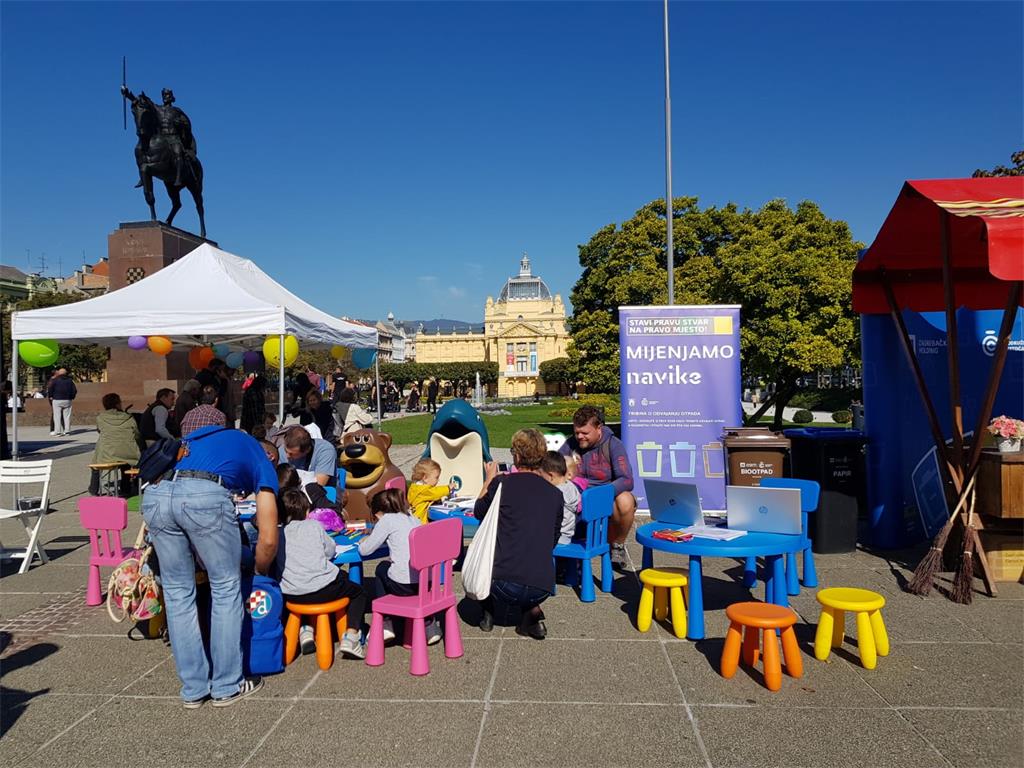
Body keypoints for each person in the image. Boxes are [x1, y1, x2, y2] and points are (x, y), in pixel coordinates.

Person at [141, 423, 279, 708]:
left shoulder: (197, 438)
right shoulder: (257, 453)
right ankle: (227, 685)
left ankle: (193, 688)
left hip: (156, 494)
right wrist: (260, 569)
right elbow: (267, 538)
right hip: (204, 497)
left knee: (178, 594)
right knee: (226, 589)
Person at [474, 428, 563, 639]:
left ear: (517, 456)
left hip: (502, 586)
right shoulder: (555, 494)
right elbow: (553, 538)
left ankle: (488, 613)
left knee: (479, 558)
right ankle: (530, 615)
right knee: (526, 558)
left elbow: (479, 511)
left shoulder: (502, 484)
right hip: (543, 586)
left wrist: (489, 478)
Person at [275, 487, 366, 658]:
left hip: (292, 593)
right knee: (358, 592)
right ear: (306, 510)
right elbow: (330, 550)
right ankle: (352, 636)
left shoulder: (279, 533)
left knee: (308, 583)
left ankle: (306, 630)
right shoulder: (314, 526)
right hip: (324, 589)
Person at [358, 488, 441, 645]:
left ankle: (386, 622)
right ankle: (429, 624)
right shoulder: (414, 519)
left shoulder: (387, 520)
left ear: (379, 513)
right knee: (395, 568)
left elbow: (365, 550)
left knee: (382, 568)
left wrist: (366, 540)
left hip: (403, 587)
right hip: (425, 585)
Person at [559, 405, 635, 570]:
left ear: (598, 428)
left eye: (585, 433)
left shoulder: (613, 445)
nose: (580, 436)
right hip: (574, 497)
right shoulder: (570, 444)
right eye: (577, 432)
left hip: (603, 497)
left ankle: (617, 545)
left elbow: (627, 480)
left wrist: (597, 495)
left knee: (626, 501)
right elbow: (555, 468)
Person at [88, 393, 145, 496]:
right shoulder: (129, 418)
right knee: (126, 462)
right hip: (128, 454)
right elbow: (136, 434)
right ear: (118, 404)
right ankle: (126, 488)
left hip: (107, 454)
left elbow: (100, 431)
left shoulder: (100, 418)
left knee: (96, 460)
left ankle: (93, 488)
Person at [541, 451, 581, 546]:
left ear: (551, 476)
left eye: (542, 476)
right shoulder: (572, 487)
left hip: (557, 537)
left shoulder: (554, 493)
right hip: (568, 536)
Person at [407, 458, 456, 524]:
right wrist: (448, 488)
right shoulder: (423, 490)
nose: (438, 480)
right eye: (436, 477)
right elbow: (435, 492)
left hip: (413, 520)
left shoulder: (415, 487)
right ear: (425, 478)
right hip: (420, 522)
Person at [47, 367, 77, 436]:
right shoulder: (70, 380)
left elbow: (50, 388)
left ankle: (57, 431)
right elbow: (74, 390)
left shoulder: (55, 380)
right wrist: (72, 397)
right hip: (67, 400)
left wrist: (51, 396)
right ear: (66, 373)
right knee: (67, 416)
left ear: (59, 373)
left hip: (57, 399)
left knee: (57, 416)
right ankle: (67, 431)